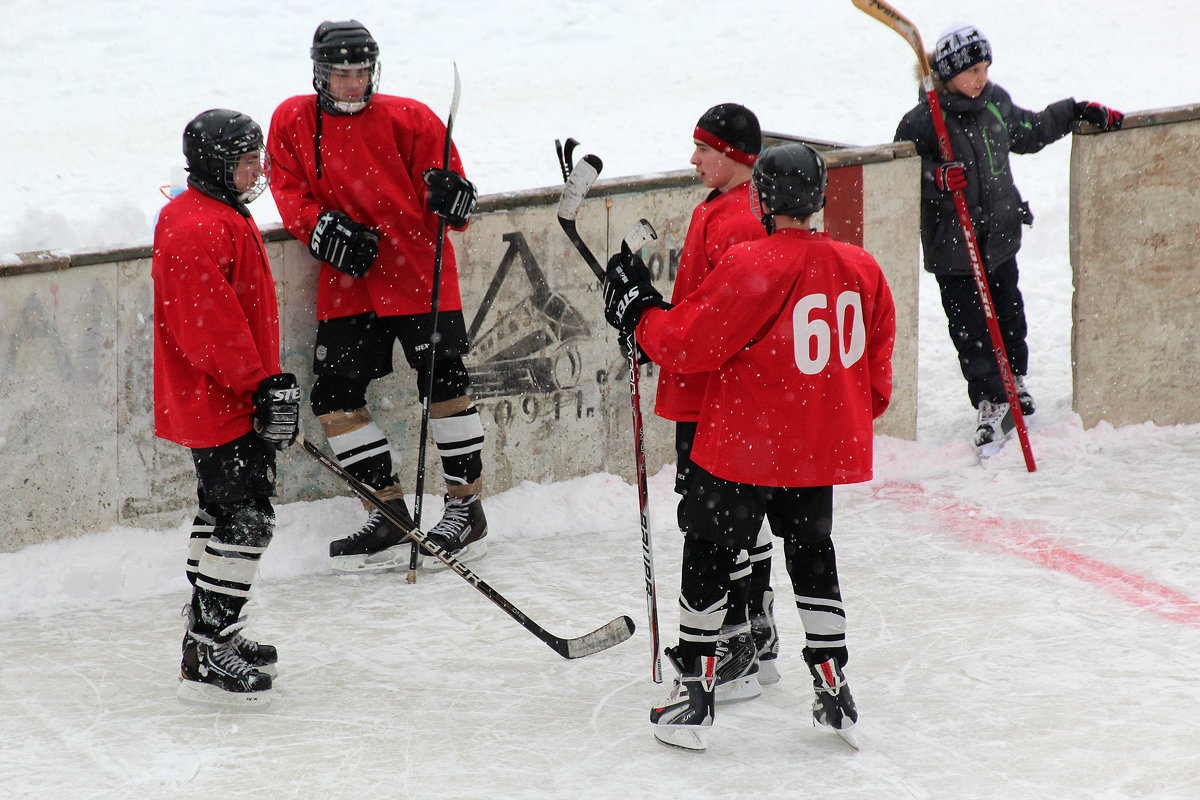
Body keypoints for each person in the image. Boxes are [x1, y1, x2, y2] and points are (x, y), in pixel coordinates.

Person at [603, 143, 896, 751]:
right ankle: (834, 687)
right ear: (817, 199)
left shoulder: (752, 262)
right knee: (812, 552)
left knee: (709, 551)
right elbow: (875, 371)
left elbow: (689, 344)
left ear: (762, 197)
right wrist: (829, 418)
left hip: (744, 444)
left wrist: (640, 314)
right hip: (814, 450)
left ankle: (698, 693)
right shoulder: (861, 267)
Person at [267, 20, 486, 573]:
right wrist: (321, 228)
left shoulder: (410, 117)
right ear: (320, 74)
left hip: (419, 272)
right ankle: (387, 509)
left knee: (445, 380)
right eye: (341, 74)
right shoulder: (292, 119)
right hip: (348, 285)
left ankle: (466, 506)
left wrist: (453, 197)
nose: (353, 84)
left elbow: (457, 198)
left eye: (362, 73)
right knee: (333, 396)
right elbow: (288, 191)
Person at [894, 23, 1123, 450]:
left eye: (985, 67)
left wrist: (1074, 110)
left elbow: (1031, 131)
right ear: (945, 75)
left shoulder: (995, 102)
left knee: (1009, 315)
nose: (981, 78)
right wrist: (937, 177)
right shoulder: (923, 120)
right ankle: (988, 398)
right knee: (971, 330)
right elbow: (902, 176)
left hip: (999, 240)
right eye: (971, 71)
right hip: (955, 249)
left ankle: (1014, 380)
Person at [153, 109, 301, 706]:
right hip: (219, 400)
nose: (256, 171)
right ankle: (210, 642)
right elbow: (206, 329)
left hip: (220, 395)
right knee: (246, 519)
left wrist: (259, 381)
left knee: (220, 512)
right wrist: (260, 384)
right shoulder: (197, 227)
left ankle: (207, 636)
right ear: (216, 165)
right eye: (245, 161)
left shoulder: (210, 213)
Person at [660, 103, 778, 703]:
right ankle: (757, 630)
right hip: (718, 392)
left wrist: (649, 322)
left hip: (714, 394)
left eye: (704, 149)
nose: (693, 158)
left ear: (733, 156)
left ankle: (729, 645)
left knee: (712, 520)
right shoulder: (730, 206)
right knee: (739, 515)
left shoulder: (736, 220)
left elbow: (718, 324)